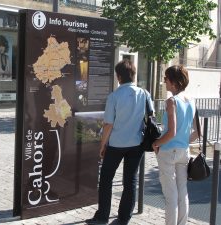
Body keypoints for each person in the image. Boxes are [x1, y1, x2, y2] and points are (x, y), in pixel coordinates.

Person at [85, 59, 154, 225]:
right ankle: (124, 218)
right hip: (137, 144)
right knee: (130, 181)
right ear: (133, 75)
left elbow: (108, 124)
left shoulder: (114, 96)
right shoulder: (144, 93)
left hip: (116, 144)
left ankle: (102, 216)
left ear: (118, 77)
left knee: (106, 179)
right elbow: (151, 116)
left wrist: (102, 145)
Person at [152, 65, 198, 225]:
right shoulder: (191, 100)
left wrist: (156, 143)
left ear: (173, 82)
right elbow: (198, 132)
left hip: (168, 151)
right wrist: (184, 141)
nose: (164, 82)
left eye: (165, 79)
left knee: (171, 195)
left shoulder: (172, 101)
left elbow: (171, 132)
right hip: (183, 151)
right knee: (182, 192)